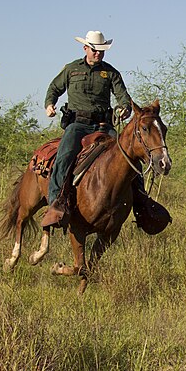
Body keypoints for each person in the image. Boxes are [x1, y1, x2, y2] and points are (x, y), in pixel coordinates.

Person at [41, 30, 133, 228]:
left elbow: (123, 96)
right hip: (78, 125)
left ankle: (142, 204)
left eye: (101, 50)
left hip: (104, 125)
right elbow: (54, 88)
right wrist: (49, 104)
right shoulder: (71, 69)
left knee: (127, 155)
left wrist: (126, 109)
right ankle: (55, 203)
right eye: (94, 50)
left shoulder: (111, 73)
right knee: (64, 156)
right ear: (85, 48)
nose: (98, 54)